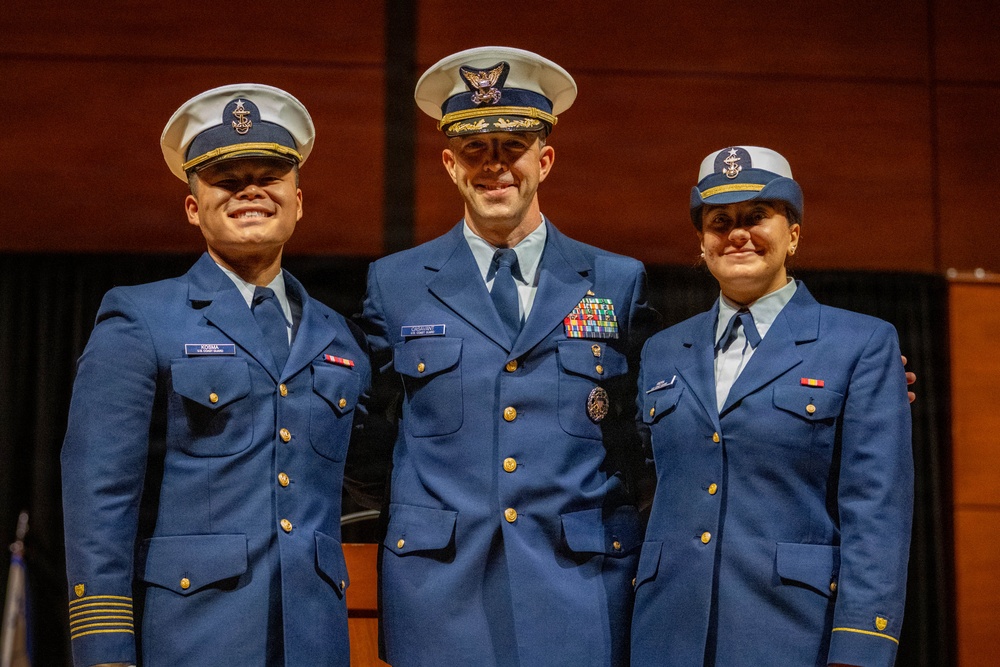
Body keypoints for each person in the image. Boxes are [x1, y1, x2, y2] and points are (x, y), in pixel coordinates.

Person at [355, 47, 659, 666]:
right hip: (439, 590)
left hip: (582, 587)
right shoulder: (397, 284)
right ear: (449, 164)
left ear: (544, 160)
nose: (494, 166)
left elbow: (660, 418)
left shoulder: (615, 281)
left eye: (512, 147)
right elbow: (354, 422)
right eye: (475, 149)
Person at [61, 84, 370, 667]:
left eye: (270, 176)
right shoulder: (140, 317)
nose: (250, 190)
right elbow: (99, 494)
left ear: (298, 201)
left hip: (317, 641)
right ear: (192, 207)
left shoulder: (339, 337)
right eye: (227, 179)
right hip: (190, 637)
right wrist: (104, 649)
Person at [630, 146, 914, 666]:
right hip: (666, 633)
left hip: (795, 634)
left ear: (794, 234)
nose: (737, 233)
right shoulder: (662, 351)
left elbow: (876, 508)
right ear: (702, 243)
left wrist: (861, 646)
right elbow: (644, 484)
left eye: (757, 216)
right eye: (720, 221)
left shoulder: (860, 343)